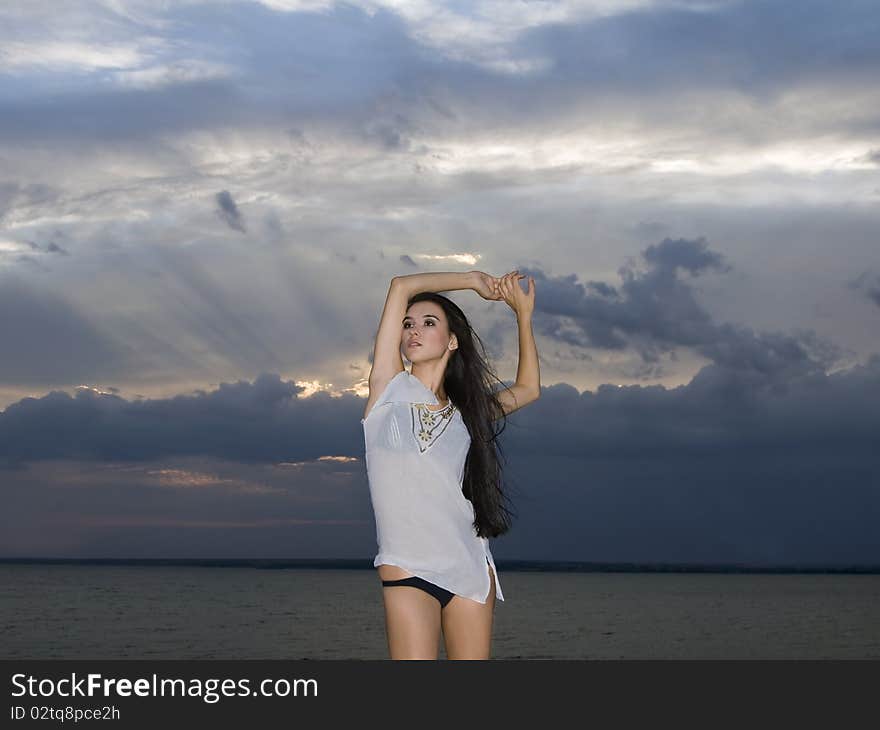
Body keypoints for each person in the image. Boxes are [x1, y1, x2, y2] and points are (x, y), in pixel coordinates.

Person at [361, 269, 540, 659]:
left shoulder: (467, 414)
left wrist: (522, 316)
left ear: (452, 340)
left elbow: (528, 389)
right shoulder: (387, 389)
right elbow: (400, 285)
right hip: (406, 567)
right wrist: (473, 280)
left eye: (429, 323)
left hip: (469, 568)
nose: (414, 330)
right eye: (408, 324)